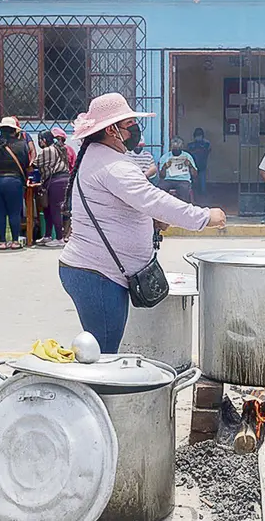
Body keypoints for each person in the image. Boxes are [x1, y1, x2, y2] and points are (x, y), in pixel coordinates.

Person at [59, 92, 226, 353]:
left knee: (103, 350)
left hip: (96, 272)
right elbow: (154, 200)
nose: (136, 130)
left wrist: (151, 222)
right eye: (130, 125)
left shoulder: (97, 156)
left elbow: (118, 207)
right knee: (102, 356)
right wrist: (204, 217)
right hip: (98, 275)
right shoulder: (113, 165)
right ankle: (99, 395)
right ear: (113, 130)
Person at [0, 116, 30, 250]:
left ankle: (2, 242)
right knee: (14, 212)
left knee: (0, 212)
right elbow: (25, 163)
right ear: (14, 130)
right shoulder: (21, 144)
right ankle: (15, 241)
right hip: (14, 181)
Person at [36, 129, 72, 247]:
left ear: (43, 140)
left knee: (55, 209)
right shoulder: (60, 148)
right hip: (63, 180)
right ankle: (47, 236)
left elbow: (35, 164)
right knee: (48, 209)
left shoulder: (47, 150)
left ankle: (59, 238)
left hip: (55, 182)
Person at [158, 136, 197, 202]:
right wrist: (164, 167)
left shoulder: (187, 156)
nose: (176, 150)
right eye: (174, 148)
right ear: (171, 147)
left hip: (183, 180)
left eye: (178, 148)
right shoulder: (165, 157)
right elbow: (161, 176)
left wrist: (190, 165)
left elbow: (195, 175)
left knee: (184, 191)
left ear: (182, 147)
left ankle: (182, 210)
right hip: (168, 180)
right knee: (160, 188)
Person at [186, 127, 212, 197]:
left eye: (199, 134)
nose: (198, 136)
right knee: (193, 180)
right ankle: (195, 193)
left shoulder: (206, 143)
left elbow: (207, 151)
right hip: (193, 165)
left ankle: (202, 193)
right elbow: (188, 152)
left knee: (202, 179)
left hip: (201, 164)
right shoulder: (191, 144)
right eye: (197, 135)